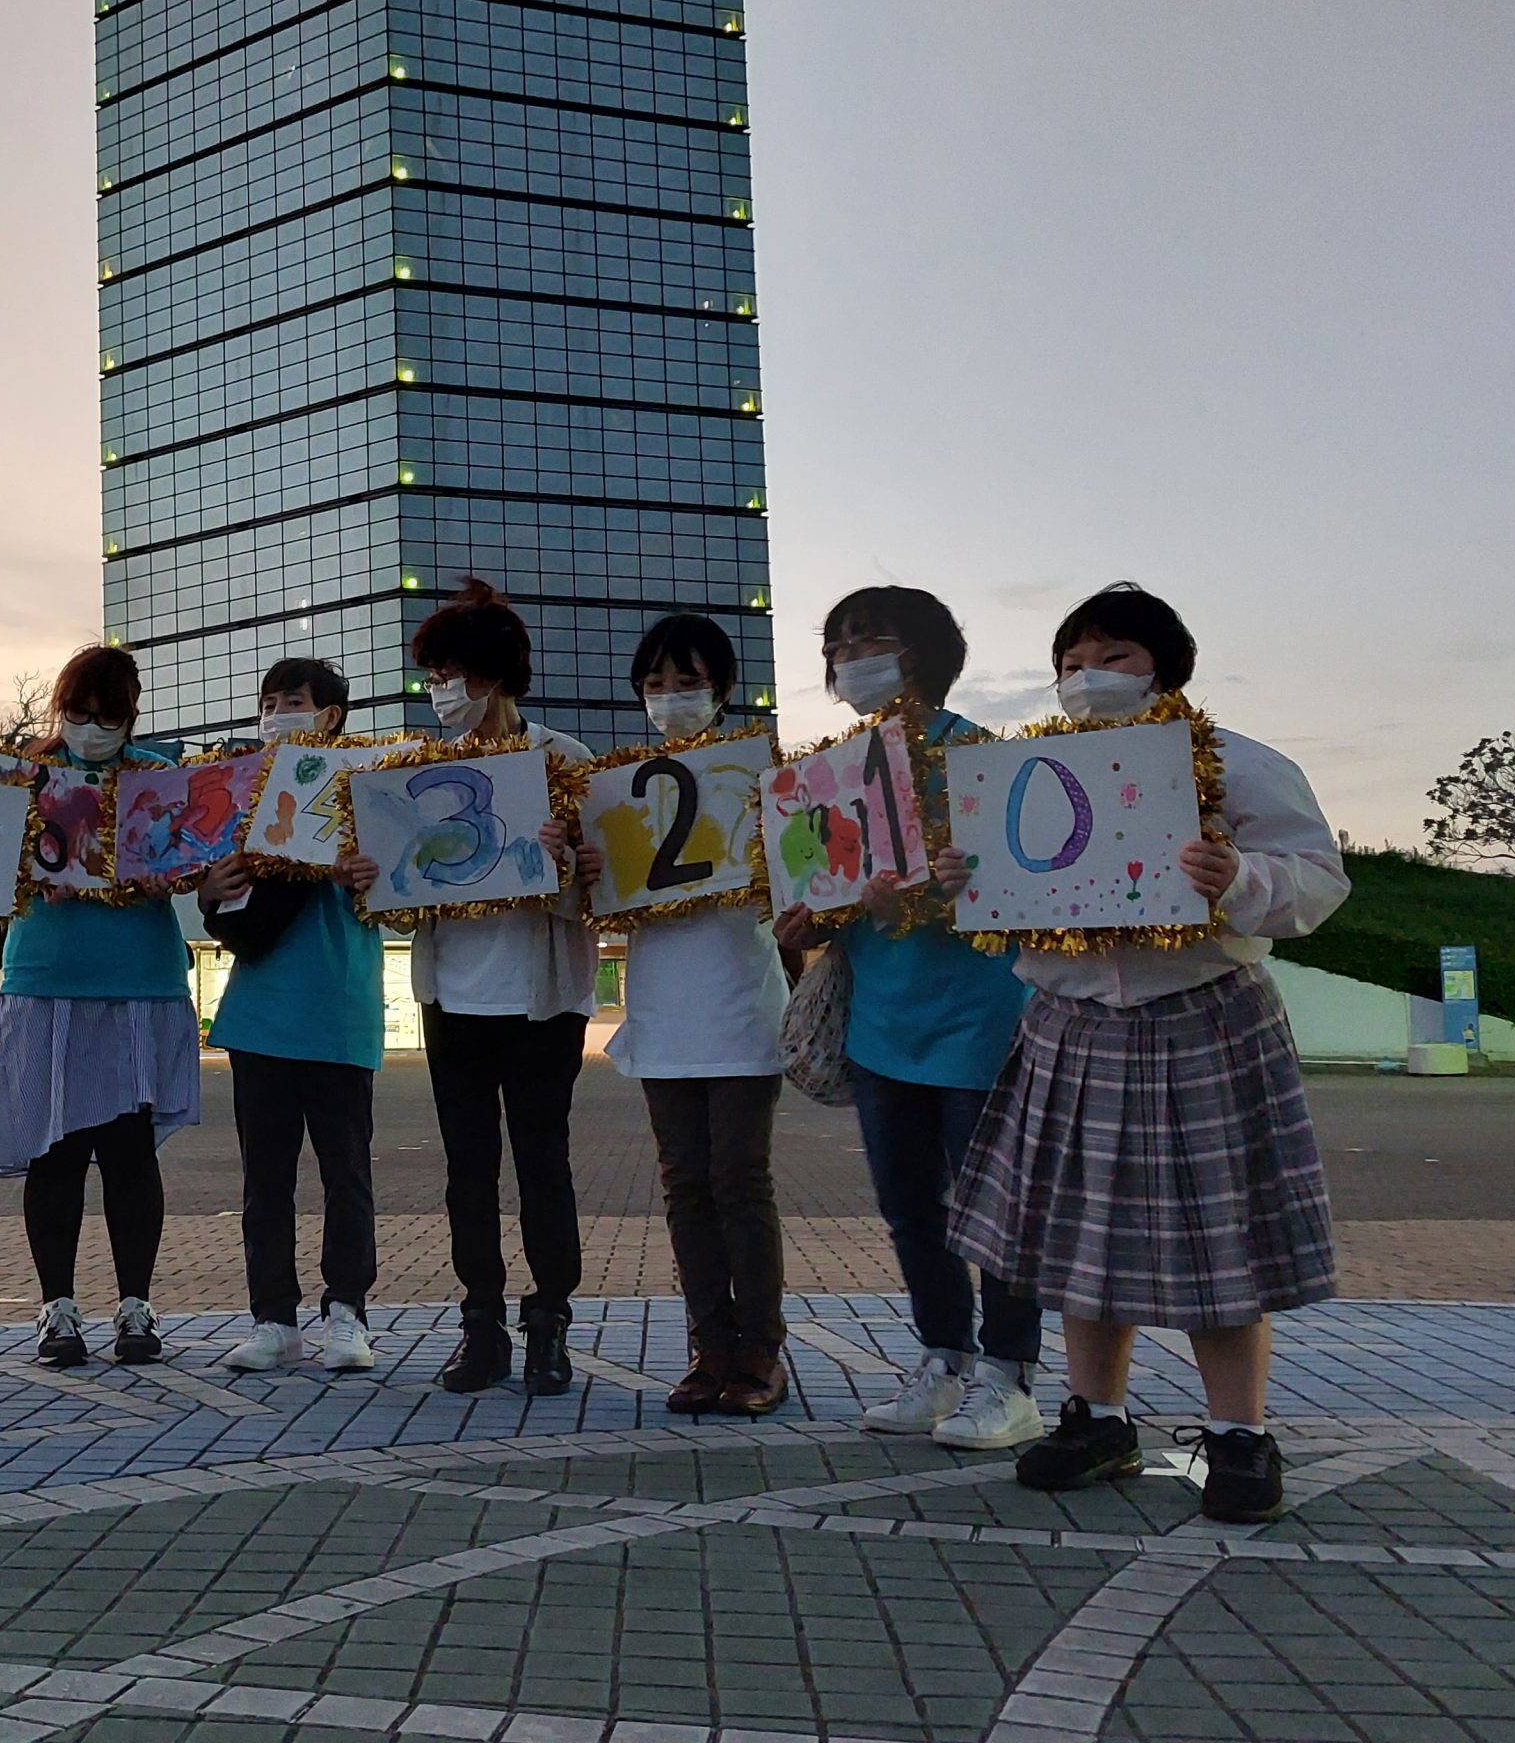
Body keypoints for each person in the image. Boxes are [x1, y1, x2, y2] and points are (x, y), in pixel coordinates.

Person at [944, 586, 1346, 1524]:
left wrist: (1239, 878)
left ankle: (1239, 1434)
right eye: (1074, 659)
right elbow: (1003, 897)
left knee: (1224, 1231)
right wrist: (968, 882)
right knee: (1077, 1235)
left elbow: (1319, 880)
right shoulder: (1021, 774)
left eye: (1114, 656)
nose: (1090, 676)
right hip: (1070, 1020)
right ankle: (1098, 1418)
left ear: (1166, 667)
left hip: (1203, 1014)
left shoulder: (1239, 764)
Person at [773, 587, 1045, 1451]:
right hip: (882, 1022)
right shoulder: (826, 775)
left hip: (980, 1017)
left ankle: (1010, 1376)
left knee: (993, 1210)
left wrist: (964, 880)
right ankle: (943, 1359)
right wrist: (805, 916)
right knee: (910, 1210)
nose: (854, 657)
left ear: (923, 651)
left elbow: (1028, 885)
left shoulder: (979, 758)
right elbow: (814, 897)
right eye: (841, 643)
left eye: (873, 639)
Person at [572, 614, 792, 1417]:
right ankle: (710, 1349)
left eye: (689, 684)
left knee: (740, 1180)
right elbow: (600, 908)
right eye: (656, 686)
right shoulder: (619, 791)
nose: (671, 699)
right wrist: (590, 873)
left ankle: (761, 1353)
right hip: (662, 1011)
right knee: (685, 1186)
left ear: (724, 693)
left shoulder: (760, 783)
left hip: (740, 1006)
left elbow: (801, 879)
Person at [0, 645, 199, 1369]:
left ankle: (136, 1305)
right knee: (55, 1149)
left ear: (132, 714)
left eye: (109, 715)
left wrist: (170, 874)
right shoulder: (22, 777)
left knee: (130, 1152)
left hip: (139, 978)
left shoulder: (160, 779)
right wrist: (33, 879)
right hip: (46, 977)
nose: (92, 727)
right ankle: (57, 1309)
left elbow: (190, 861)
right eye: (79, 712)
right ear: (58, 708)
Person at [408, 580, 597, 1396]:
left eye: (455, 672)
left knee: (542, 1162)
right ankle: (480, 1322)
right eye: (434, 674)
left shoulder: (567, 762)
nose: (443, 690)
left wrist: (567, 863)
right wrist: (367, 875)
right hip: (451, 994)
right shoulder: (414, 772)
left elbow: (608, 891)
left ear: (497, 677)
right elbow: (393, 891)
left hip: (543, 998)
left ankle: (549, 1318)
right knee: (468, 1169)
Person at [197, 659, 385, 1375]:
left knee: (347, 1174)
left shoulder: (369, 785)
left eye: (294, 701)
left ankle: (348, 1315)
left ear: (331, 715)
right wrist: (210, 890)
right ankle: (274, 1320)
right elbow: (220, 902)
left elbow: (405, 893)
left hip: (339, 1008)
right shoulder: (241, 792)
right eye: (269, 701)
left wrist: (367, 873)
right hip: (259, 1015)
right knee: (265, 1180)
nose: (277, 712)